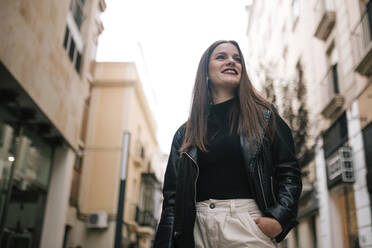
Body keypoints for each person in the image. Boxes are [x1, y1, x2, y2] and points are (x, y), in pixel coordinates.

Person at [153, 40, 302, 248]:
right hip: (196, 231)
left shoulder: (265, 118)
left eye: (237, 58)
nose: (231, 61)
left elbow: (289, 172)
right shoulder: (185, 133)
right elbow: (172, 200)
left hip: (246, 224)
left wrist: (280, 217)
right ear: (206, 71)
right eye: (221, 57)